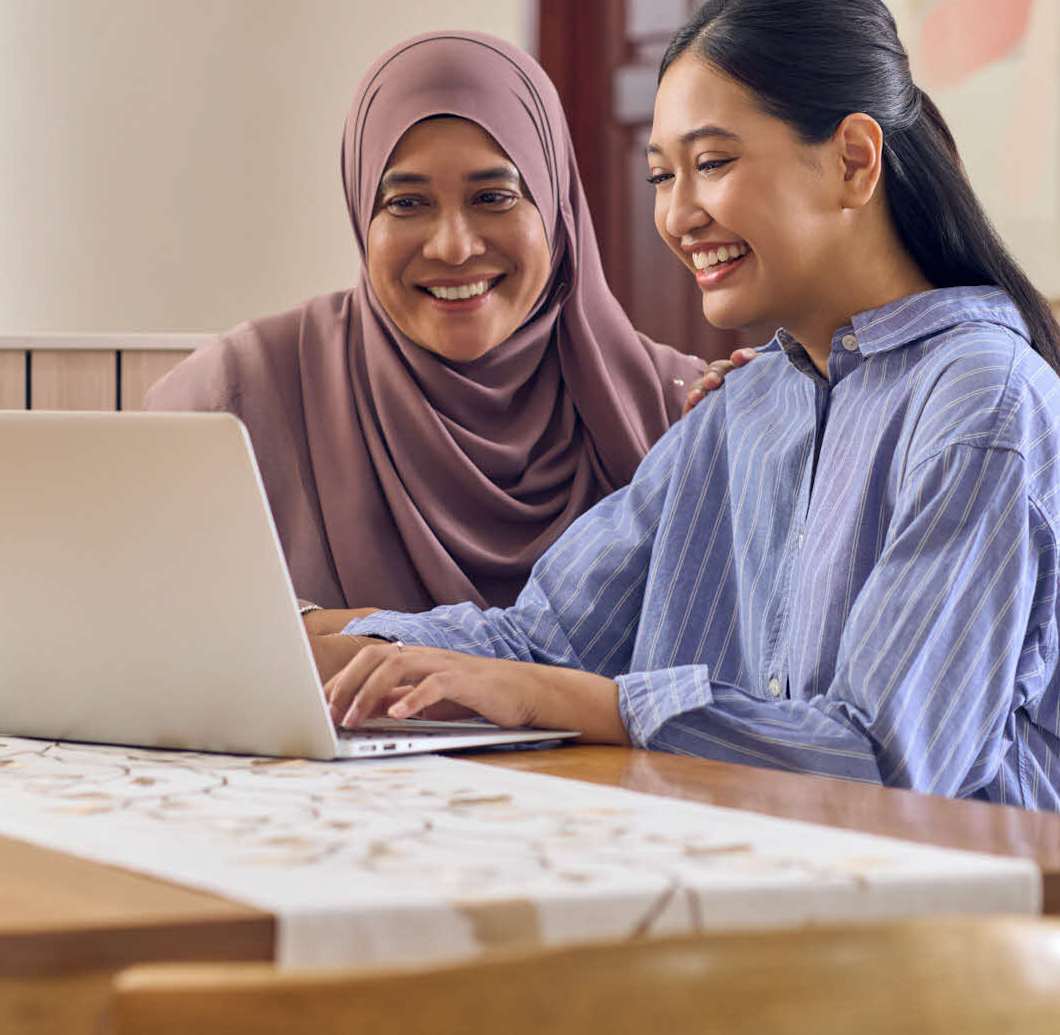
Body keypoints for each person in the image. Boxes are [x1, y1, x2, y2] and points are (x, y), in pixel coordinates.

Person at [321, 0, 1060, 825]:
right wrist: (309, 642)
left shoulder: (982, 400)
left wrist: (583, 702)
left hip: (1022, 931)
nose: (679, 214)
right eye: (661, 176)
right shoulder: (748, 403)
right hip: (814, 893)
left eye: (712, 163)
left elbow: (885, 761)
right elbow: (544, 640)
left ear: (853, 161)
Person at [143, 30, 714, 619]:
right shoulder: (240, 397)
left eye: (493, 197)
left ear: (555, 204)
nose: (454, 247)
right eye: (406, 204)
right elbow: (153, 636)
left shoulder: (679, 412)